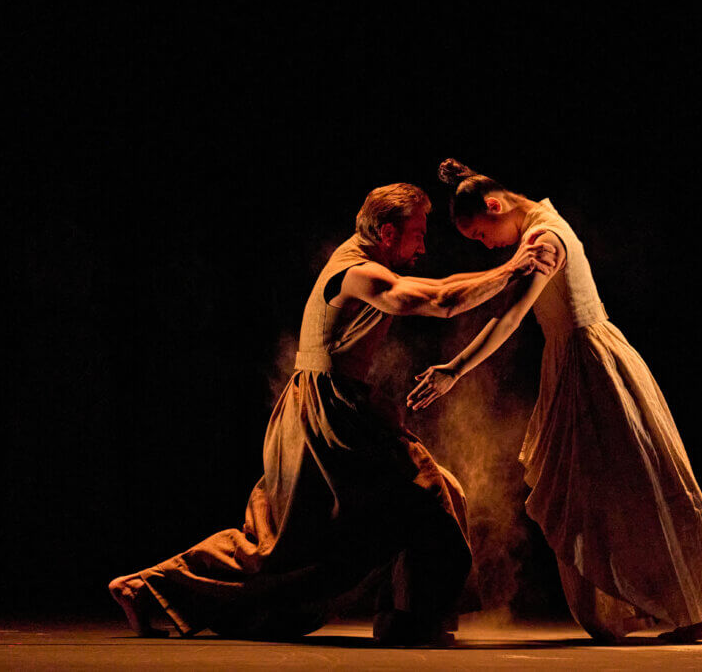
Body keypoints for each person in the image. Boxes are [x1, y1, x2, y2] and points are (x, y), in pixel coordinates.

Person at [108, 182, 557, 646]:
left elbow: (438, 288)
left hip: (330, 406)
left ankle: (146, 589)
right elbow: (438, 300)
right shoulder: (357, 273)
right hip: (327, 412)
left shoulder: (366, 262)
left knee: (291, 541)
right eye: (417, 235)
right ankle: (411, 621)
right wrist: (511, 269)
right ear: (386, 232)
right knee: (424, 499)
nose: (424, 246)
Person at [407, 160, 702, 643]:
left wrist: (453, 370)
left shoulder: (545, 240)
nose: (486, 245)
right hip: (570, 361)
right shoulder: (537, 220)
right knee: (595, 490)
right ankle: (633, 607)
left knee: (639, 481)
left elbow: (511, 316)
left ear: (496, 207)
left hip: (591, 362)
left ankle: (698, 603)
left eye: (481, 233)